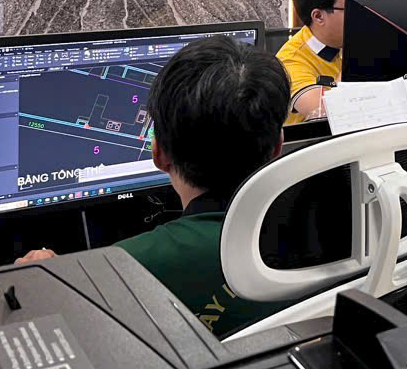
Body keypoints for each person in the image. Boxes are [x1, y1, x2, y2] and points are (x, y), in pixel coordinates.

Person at [17, 36, 293, 338]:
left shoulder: (118, 269)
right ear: (278, 146)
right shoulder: (318, 228)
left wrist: (47, 282)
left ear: (158, 153)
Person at [278, 0, 365, 124]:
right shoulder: (290, 61)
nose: (365, 12)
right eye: (354, 7)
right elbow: (323, 112)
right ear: (318, 16)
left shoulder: (347, 40)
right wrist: (356, 54)